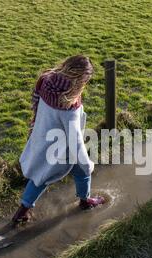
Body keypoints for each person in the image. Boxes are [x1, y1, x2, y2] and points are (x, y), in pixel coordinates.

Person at [12, 55, 105, 226]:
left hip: (42, 135)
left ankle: (21, 212)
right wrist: (87, 163)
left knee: (40, 178)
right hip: (61, 148)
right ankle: (85, 202)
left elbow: (37, 104)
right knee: (82, 171)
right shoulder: (69, 105)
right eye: (86, 80)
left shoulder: (46, 80)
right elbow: (75, 139)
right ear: (79, 80)